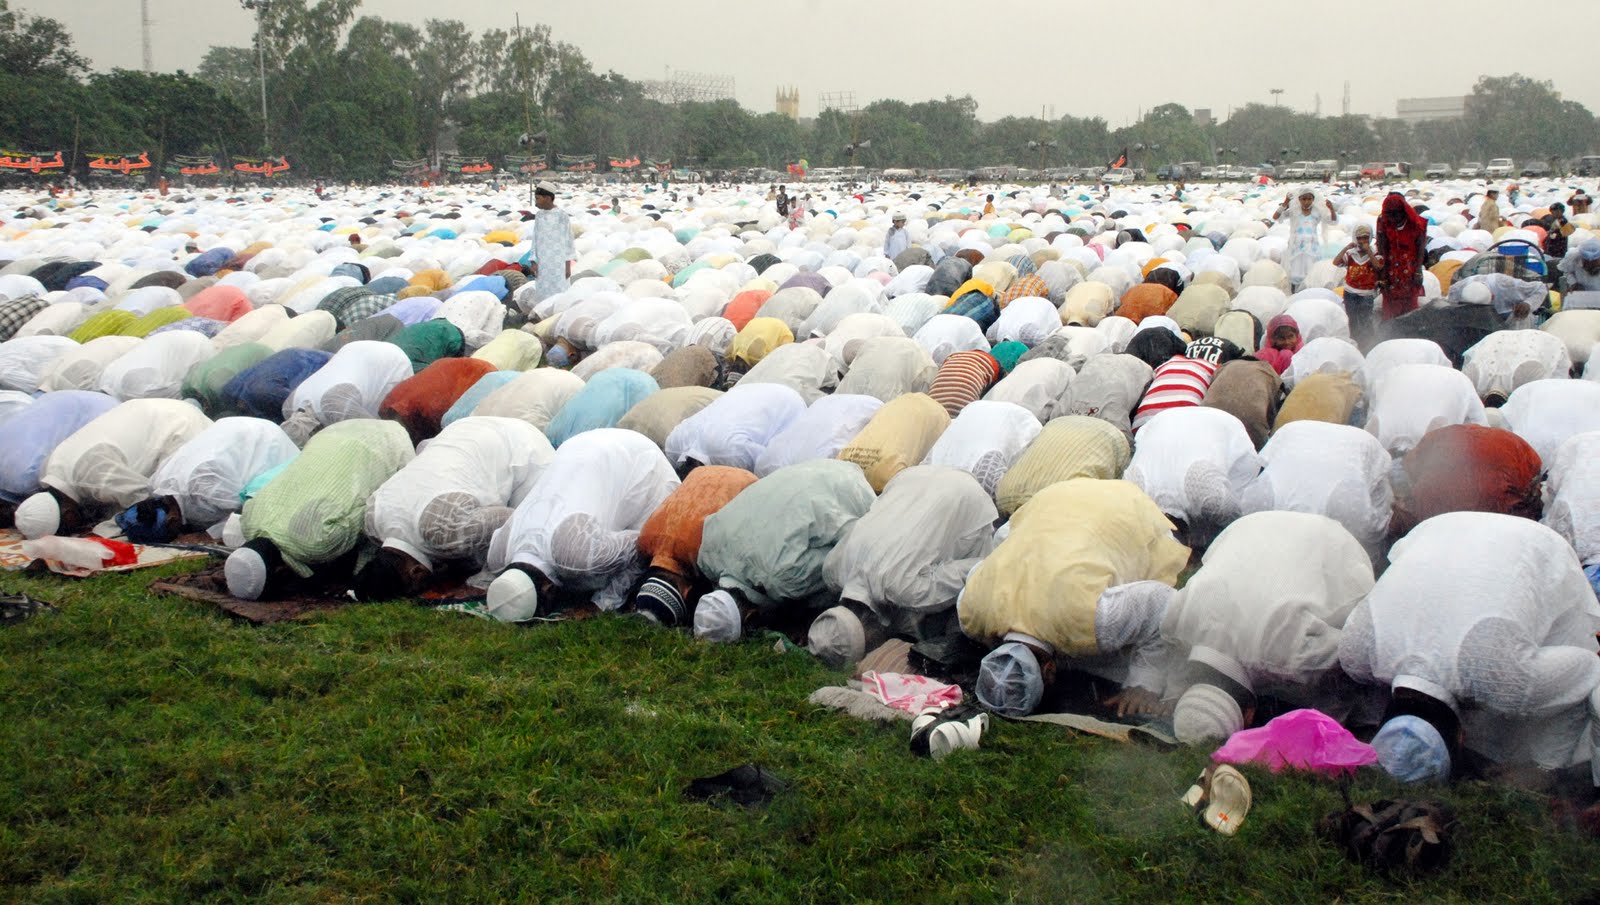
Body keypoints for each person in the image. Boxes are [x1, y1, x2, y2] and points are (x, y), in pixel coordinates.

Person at [1339, 513, 1600, 785]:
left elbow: (1589, 667)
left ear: (1461, 737)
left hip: (1539, 548)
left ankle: (1548, 772)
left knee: (1551, 690)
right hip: (1440, 527)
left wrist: (1543, 769)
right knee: (1507, 694)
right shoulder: (1357, 654)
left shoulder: (1506, 679)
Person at [959, 479, 1190, 718]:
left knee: (1116, 653)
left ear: (1050, 670)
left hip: (1123, 509)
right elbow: (980, 571)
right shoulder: (971, 610)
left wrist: (1144, 682)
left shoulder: (1093, 620)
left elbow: (1164, 604)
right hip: (1051, 497)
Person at [1163, 512, 1377, 743]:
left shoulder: (1293, 657)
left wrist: (1329, 726)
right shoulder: (1178, 623)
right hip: (1252, 525)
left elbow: (1351, 657)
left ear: (1249, 716)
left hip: (1333, 544)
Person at [812, 466, 998, 668]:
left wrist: (992, 560)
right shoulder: (833, 570)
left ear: (869, 637)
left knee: (972, 595)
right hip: (912, 477)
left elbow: (968, 573)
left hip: (964, 496)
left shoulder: (904, 589)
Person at [484, 429, 680, 619]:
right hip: (579, 447)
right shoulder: (498, 554)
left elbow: (641, 543)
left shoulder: (578, 558)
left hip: (639, 459)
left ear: (548, 589)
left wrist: (601, 604)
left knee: (661, 543)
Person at [353, 417, 555, 602]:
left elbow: (513, 519)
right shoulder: (373, 519)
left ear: (416, 572)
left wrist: (487, 576)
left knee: (532, 533)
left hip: (522, 446)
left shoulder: (448, 533)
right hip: (462, 429)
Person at [224, 419, 415, 601]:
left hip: (385, 445)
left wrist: (358, 577)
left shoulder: (318, 541)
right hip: (331, 435)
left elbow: (372, 517)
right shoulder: (249, 520)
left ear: (280, 571)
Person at [693, 459, 876, 642]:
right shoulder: (707, 551)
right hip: (813, 467)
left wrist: (806, 617)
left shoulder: (784, 580)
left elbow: (838, 565)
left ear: (751, 616)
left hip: (849, 489)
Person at [13, 399, 213, 539]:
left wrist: (102, 531)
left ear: (68, 516)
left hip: (177, 425)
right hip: (150, 411)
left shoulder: (91, 473)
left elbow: (146, 498)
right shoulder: (49, 470)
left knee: (174, 505)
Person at [118, 416, 299, 543]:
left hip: (264, 441)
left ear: (172, 520)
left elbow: (247, 509)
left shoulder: (205, 489)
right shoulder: (156, 482)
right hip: (233, 429)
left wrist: (209, 536)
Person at [1241, 420, 1394, 557]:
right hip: (1345, 499)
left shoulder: (1291, 428)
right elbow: (1374, 533)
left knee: (1263, 551)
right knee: (1352, 557)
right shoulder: (1366, 443)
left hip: (1267, 496)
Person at [632, 465, 759, 627]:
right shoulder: (644, 540)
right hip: (701, 472)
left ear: (686, 593)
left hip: (748, 483)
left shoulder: (703, 555)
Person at [1124, 406, 1262, 547]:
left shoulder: (1210, 495)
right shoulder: (1132, 492)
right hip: (1162, 420)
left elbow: (1237, 524)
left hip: (1226, 428)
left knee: (1231, 531)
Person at [1390, 424, 1542, 536]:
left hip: (1436, 514)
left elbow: (1409, 467)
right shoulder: (1516, 445)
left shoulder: (1440, 437)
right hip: (1498, 512)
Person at [1376, 192, 1428, 320]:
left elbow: (1421, 247)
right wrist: (1382, 273)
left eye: (1394, 214)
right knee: (1389, 302)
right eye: (1388, 214)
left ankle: (1408, 326)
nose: (1392, 219)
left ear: (1402, 212)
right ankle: (1391, 328)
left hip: (1410, 269)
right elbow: (1381, 247)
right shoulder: (1384, 222)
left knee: (1410, 301)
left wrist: (1418, 270)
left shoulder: (1417, 223)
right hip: (1390, 268)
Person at [1273, 190, 1336, 292]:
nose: (1306, 202)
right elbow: (1276, 217)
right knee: (1294, 272)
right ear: (1299, 199)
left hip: (1312, 247)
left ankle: (1309, 293)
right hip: (1296, 247)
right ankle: (1295, 293)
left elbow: (1332, 221)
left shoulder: (1317, 211)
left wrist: (1331, 209)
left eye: (1309, 199)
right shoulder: (1294, 211)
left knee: (1311, 272)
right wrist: (1286, 202)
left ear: (1313, 199)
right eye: (1304, 199)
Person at [1332, 224, 1381, 346]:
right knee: (1352, 320)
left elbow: (1378, 267)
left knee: (1366, 321)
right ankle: (1354, 343)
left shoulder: (1375, 253)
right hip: (1350, 292)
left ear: (1370, 238)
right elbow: (1336, 262)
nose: (1362, 241)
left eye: (1365, 238)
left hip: (1366, 294)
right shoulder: (1351, 254)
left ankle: (1367, 344)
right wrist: (1346, 248)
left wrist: (1369, 251)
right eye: (1359, 238)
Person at [530, 181, 575, 302]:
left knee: (559, 292)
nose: (536, 202)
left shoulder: (562, 215)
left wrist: (567, 265)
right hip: (542, 262)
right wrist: (533, 261)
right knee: (542, 292)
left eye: (538, 198)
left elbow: (568, 241)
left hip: (558, 263)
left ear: (548, 198)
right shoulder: (539, 216)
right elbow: (535, 238)